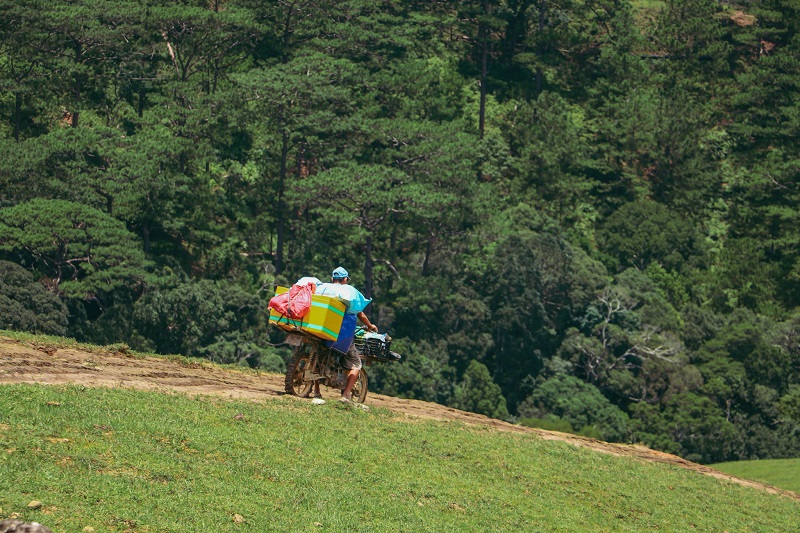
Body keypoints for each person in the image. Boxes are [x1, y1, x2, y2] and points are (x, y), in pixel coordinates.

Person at [313, 266, 378, 402]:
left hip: (319, 329)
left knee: (319, 356)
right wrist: (370, 326)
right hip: (341, 334)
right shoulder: (349, 292)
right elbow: (360, 313)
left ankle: (316, 391)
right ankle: (346, 394)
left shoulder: (323, 288)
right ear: (344, 279)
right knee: (356, 363)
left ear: (332, 279)